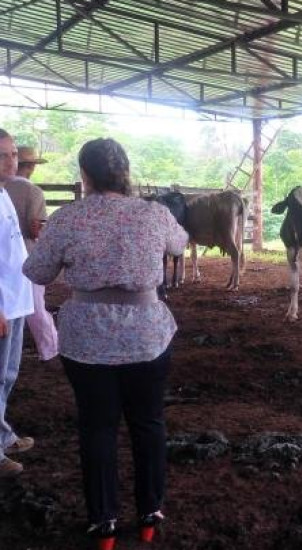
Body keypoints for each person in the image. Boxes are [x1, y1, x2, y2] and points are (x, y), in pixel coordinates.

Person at [23, 138, 188, 543]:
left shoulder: (68, 218)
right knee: (149, 423)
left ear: (85, 175)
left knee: (97, 429)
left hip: (87, 341)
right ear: (125, 171)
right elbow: (180, 244)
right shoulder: (154, 214)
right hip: (147, 336)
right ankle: (150, 513)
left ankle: (104, 523)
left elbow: (37, 272)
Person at [0, 129, 35, 478]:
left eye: (12, 154)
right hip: (2, 303)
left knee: (7, 374)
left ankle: (3, 434)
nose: (11, 161)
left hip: (15, 298)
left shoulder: (5, 193)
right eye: (3, 155)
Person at [4, 145, 58, 362]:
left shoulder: (4, 187)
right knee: (36, 305)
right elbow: (36, 228)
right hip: (26, 253)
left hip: (5, 257)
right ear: (31, 167)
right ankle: (50, 348)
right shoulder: (33, 191)